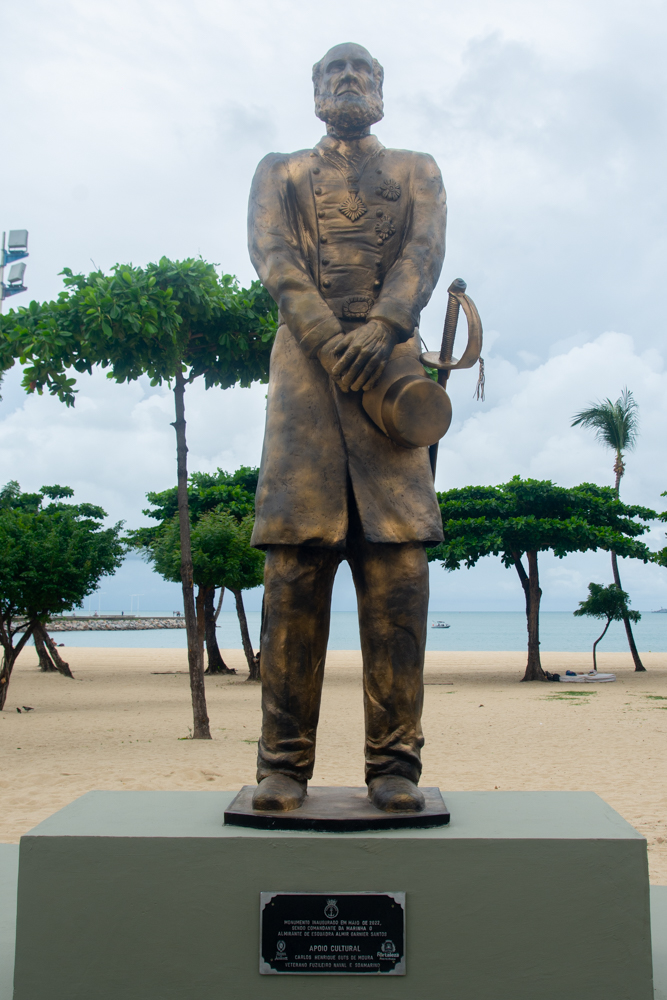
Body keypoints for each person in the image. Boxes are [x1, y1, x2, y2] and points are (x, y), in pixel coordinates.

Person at [248, 42, 446, 813]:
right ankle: (282, 767)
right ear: (314, 91)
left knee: (399, 575)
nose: (349, 82)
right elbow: (273, 256)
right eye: (334, 73)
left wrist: (387, 323)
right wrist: (331, 339)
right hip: (304, 383)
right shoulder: (281, 171)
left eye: (362, 72)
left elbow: (423, 252)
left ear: (383, 91)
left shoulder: (416, 169)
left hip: (391, 381)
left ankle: (394, 765)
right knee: (293, 575)